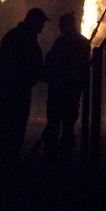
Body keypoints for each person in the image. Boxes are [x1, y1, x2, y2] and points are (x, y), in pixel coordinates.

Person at [0, 8, 48, 165]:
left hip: (8, 90)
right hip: (18, 91)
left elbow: (1, 62)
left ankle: (2, 162)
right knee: (15, 128)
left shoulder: (13, 35)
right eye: (41, 22)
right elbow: (35, 66)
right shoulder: (27, 40)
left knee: (5, 127)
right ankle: (9, 164)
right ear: (34, 21)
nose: (43, 26)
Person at [40, 12, 91, 164]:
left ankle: (53, 158)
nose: (60, 27)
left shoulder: (62, 42)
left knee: (55, 125)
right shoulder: (83, 42)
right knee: (68, 126)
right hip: (71, 91)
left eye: (62, 24)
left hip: (60, 90)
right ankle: (64, 158)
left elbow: (50, 60)